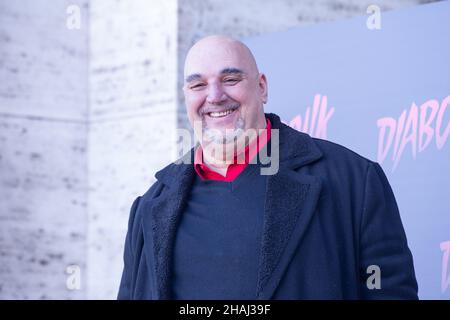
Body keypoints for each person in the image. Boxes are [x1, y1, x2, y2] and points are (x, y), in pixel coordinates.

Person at [118, 35, 418, 300]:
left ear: (261, 88)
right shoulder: (149, 206)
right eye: (198, 85)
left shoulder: (354, 181)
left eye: (230, 79)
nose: (214, 96)